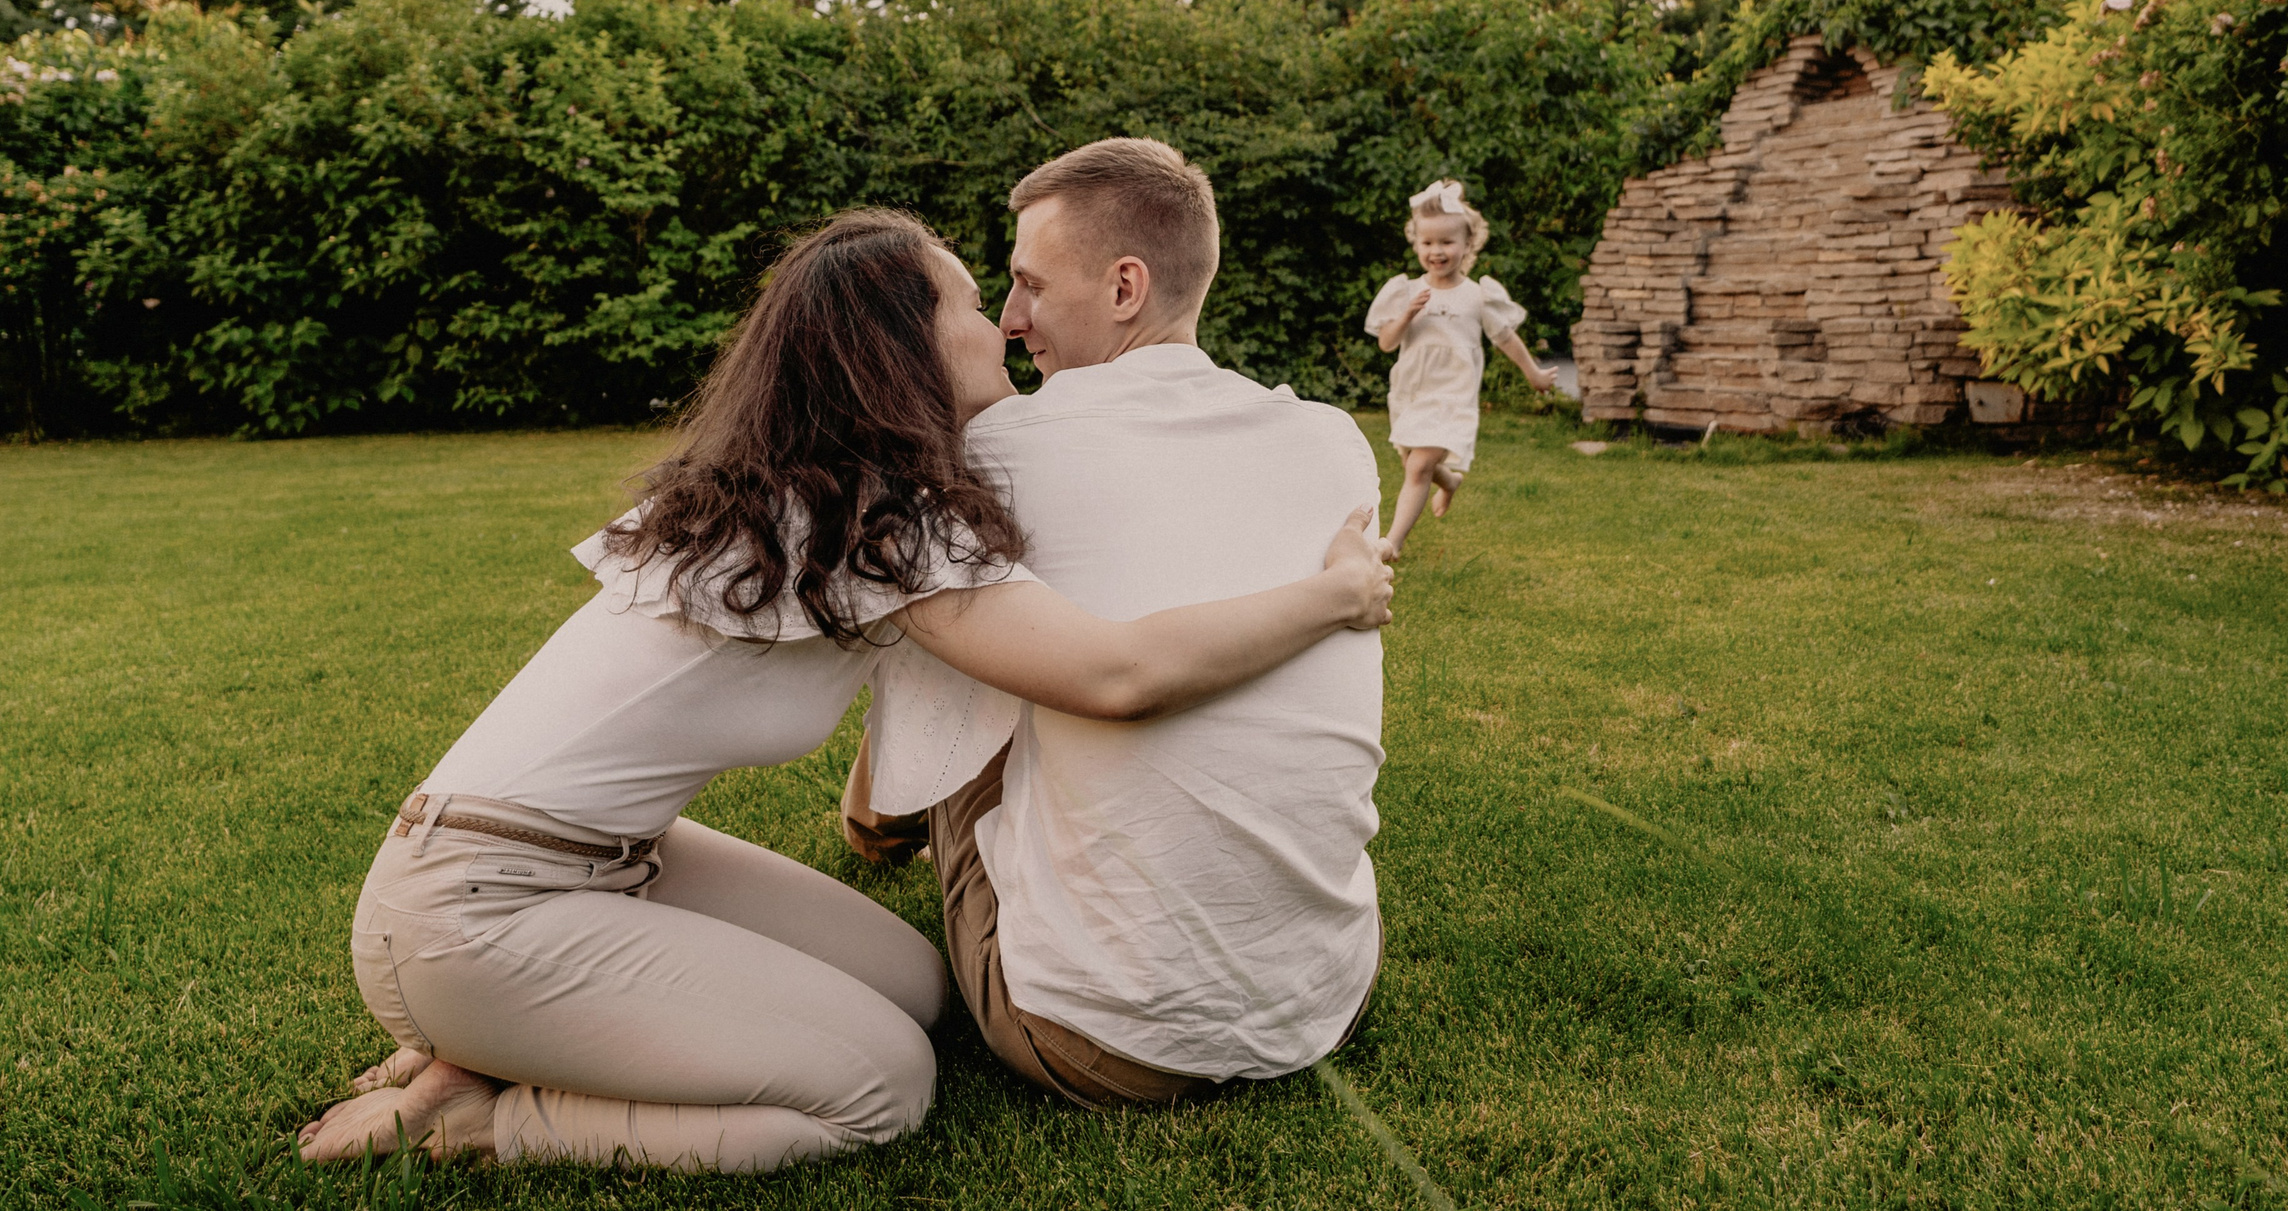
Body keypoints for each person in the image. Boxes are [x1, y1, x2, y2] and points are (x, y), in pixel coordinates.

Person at [293, 208, 1393, 1173]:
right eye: (974, 299)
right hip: (474, 905)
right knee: (879, 1089)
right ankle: (487, 1116)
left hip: (608, 862)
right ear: (900, 344)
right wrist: (1334, 597)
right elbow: (1118, 673)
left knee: (914, 983)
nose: (1005, 323)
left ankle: (495, 1032)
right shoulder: (863, 524)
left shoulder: (842, 499)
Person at [841, 138, 1388, 1107]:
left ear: (1125, 286)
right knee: (1018, 616)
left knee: (970, 619)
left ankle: (879, 817)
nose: (1009, 322)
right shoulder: (1331, 440)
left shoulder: (1004, 446)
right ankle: (882, 815)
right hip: (1323, 998)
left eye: (1029, 286)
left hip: (1094, 1036)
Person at [1364, 178, 1557, 561]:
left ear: (1468, 245)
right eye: (1428, 242)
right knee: (1415, 463)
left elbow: (1505, 338)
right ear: (1416, 243)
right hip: (1413, 391)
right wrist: (1406, 315)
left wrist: (1533, 373)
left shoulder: (1477, 295)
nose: (1437, 251)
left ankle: (1393, 542)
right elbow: (1387, 343)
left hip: (1454, 393)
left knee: (1418, 465)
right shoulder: (1406, 291)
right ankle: (1450, 481)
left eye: (1446, 242)